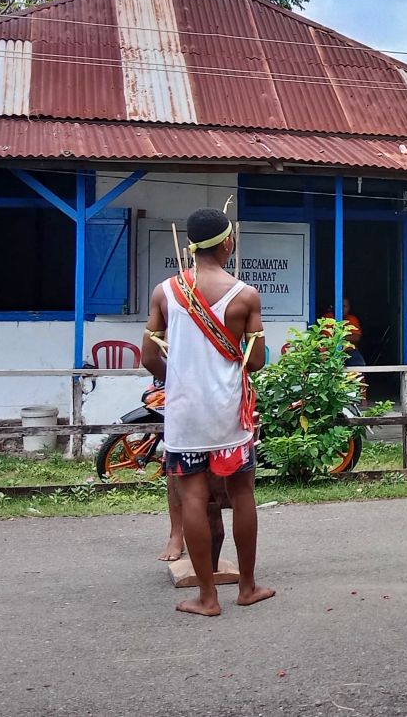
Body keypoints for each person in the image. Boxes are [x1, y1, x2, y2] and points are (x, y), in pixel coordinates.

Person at [141, 208, 274, 617]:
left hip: (185, 417)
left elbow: (149, 357)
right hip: (230, 415)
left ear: (190, 247)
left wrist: (179, 379)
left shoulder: (165, 292)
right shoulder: (246, 295)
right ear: (228, 243)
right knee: (242, 492)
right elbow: (256, 364)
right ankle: (247, 587)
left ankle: (207, 598)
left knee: (194, 499)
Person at [320, 297, 366, 367]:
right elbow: (325, 339)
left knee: (359, 363)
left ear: (349, 308)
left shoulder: (352, 319)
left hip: (349, 351)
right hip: (330, 351)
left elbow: (357, 337)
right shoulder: (327, 318)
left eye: (345, 306)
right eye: (339, 305)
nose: (341, 309)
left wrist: (339, 337)